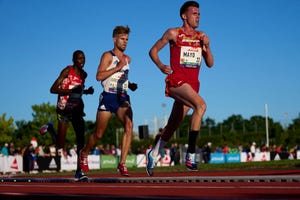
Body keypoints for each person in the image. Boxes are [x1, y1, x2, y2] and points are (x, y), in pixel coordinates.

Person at [146, 1, 214, 176]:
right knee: (201, 106)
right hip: (177, 81)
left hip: (192, 85)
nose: (198, 16)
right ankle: (191, 154)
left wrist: (207, 46)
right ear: (184, 16)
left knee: (172, 126)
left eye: (199, 13)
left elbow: (210, 64)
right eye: (194, 13)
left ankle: (153, 153)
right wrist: (161, 65)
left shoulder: (201, 36)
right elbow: (153, 50)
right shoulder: (173, 33)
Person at [79, 25, 138, 177]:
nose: (125, 42)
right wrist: (118, 67)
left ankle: (122, 164)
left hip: (122, 96)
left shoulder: (127, 59)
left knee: (129, 125)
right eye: (122, 39)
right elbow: (99, 77)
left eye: (127, 40)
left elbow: (121, 77)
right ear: (114, 39)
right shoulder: (107, 56)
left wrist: (129, 85)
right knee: (98, 134)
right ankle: (84, 153)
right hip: (108, 97)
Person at [40, 50, 94, 181]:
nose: (82, 61)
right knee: (60, 145)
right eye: (79, 58)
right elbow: (53, 89)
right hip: (63, 109)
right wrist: (69, 91)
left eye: (84, 58)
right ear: (74, 60)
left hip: (76, 109)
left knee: (80, 138)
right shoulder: (67, 71)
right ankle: (50, 128)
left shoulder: (84, 74)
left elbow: (78, 91)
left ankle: (79, 172)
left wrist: (86, 92)